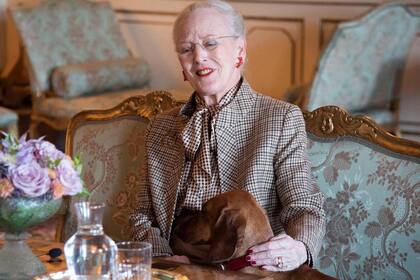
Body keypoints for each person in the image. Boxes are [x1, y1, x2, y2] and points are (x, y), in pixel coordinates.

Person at [130, 0, 325, 272]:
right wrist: (165, 261)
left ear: (240, 52)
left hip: (248, 266)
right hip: (178, 266)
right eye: (187, 49)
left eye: (210, 43)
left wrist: (299, 248)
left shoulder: (279, 119)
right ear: (182, 65)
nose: (198, 57)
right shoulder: (161, 127)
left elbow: (304, 206)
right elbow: (142, 214)